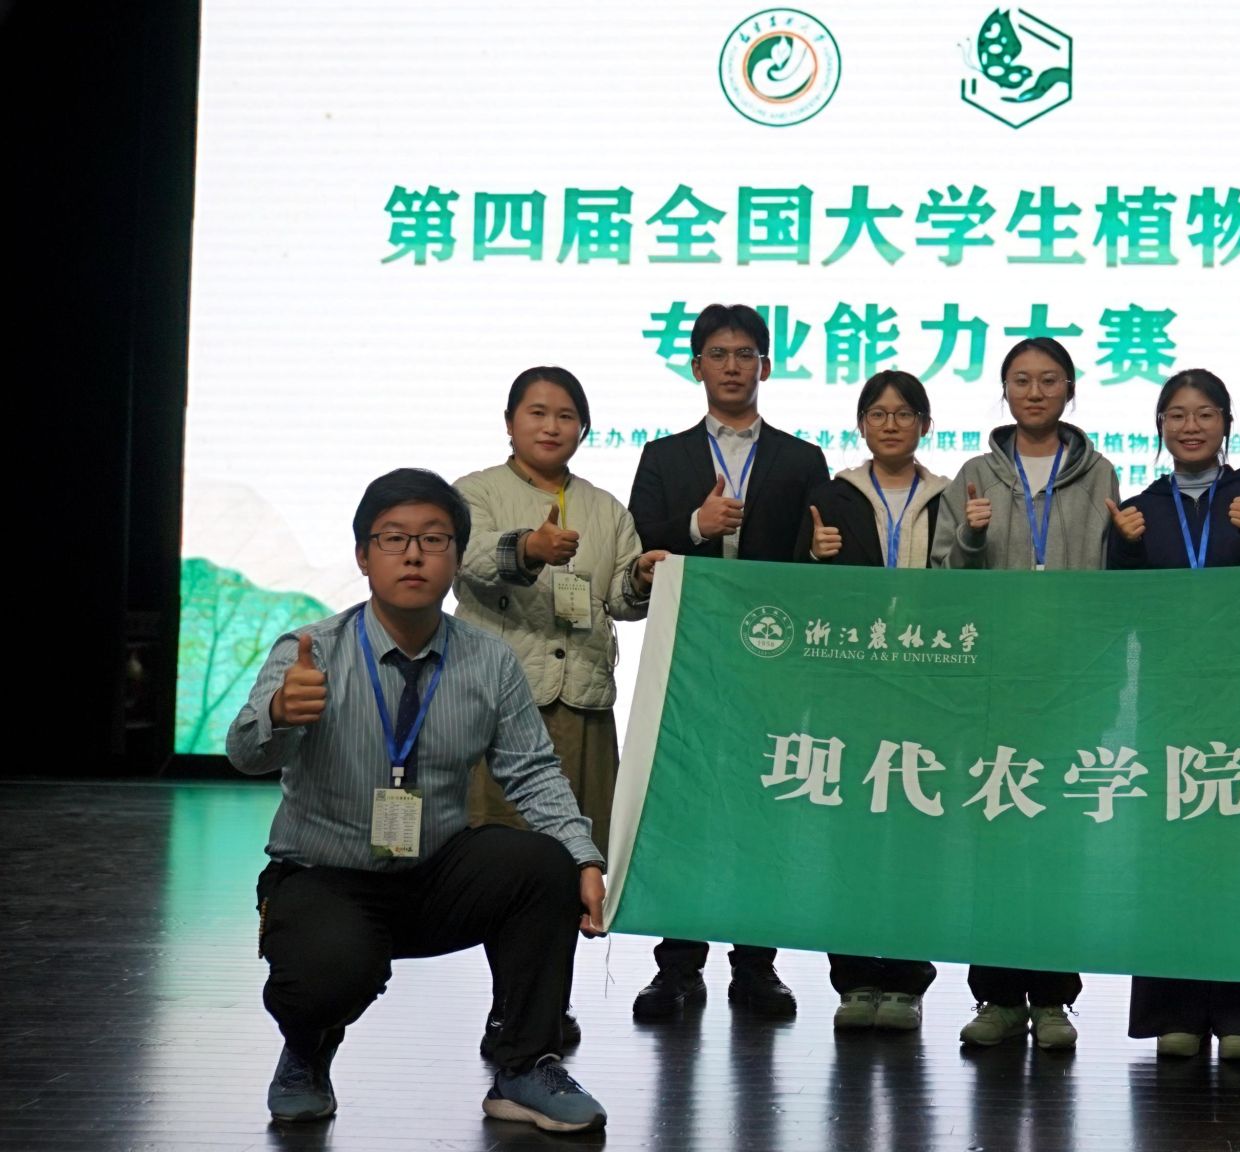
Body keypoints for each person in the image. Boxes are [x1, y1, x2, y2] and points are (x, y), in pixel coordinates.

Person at [227, 468, 608, 1133]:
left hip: (434, 875)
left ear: (457, 558)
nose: (413, 555)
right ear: (362, 556)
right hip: (327, 877)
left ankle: (524, 1066)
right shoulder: (312, 651)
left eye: (433, 539)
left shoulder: (488, 660)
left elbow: (533, 773)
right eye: (393, 538)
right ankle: (307, 1051)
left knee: (544, 865)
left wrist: (584, 856)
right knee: (325, 975)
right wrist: (281, 714)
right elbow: (244, 753)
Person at [453, 366, 667, 1051]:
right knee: (504, 859)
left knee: (570, 861)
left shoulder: (604, 507)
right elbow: (468, 562)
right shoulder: (476, 492)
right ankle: (510, 1004)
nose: (552, 426)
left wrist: (641, 577)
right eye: (537, 412)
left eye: (566, 415)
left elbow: (623, 601)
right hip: (501, 704)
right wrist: (528, 548)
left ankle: (548, 1002)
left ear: (584, 428)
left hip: (582, 706)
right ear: (510, 422)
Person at [627, 303, 829, 1021]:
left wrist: (823, 553)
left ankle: (757, 966)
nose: (733, 366)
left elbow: (814, 560)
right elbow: (637, 543)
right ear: (696, 366)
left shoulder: (802, 459)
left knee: (763, 807)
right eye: (719, 353)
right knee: (684, 808)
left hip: (773, 662)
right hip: (690, 657)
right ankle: (678, 967)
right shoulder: (663, 457)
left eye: (746, 353)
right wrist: (695, 525)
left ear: (766, 365)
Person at [1103, 368, 1240, 1060]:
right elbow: (1121, 614)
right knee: (1171, 853)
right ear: (1160, 427)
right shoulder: (1138, 510)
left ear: (1227, 425)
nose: (1191, 426)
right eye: (1177, 415)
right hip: (1171, 703)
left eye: (1206, 413)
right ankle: (1174, 1010)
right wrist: (1124, 551)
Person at [932, 336, 1118, 1049]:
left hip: (1071, 682)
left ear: (1070, 389)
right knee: (996, 834)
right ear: (1004, 390)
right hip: (995, 681)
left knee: (1060, 838)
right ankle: (999, 997)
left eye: (1048, 380)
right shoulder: (974, 474)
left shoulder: (1101, 475)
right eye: (1021, 380)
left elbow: (1115, 578)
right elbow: (949, 579)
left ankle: (1054, 999)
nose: (1034, 392)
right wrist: (972, 539)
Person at [804, 369, 950, 1031]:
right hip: (852, 687)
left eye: (904, 413)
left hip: (927, 686)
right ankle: (855, 979)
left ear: (924, 424)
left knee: (918, 832)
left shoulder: (952, 497)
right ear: (861, 425)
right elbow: (800, 587)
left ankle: (907, 982)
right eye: (878, 413)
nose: (891, 424)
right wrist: (814, 555)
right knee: (852, 834)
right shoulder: (830, 496)